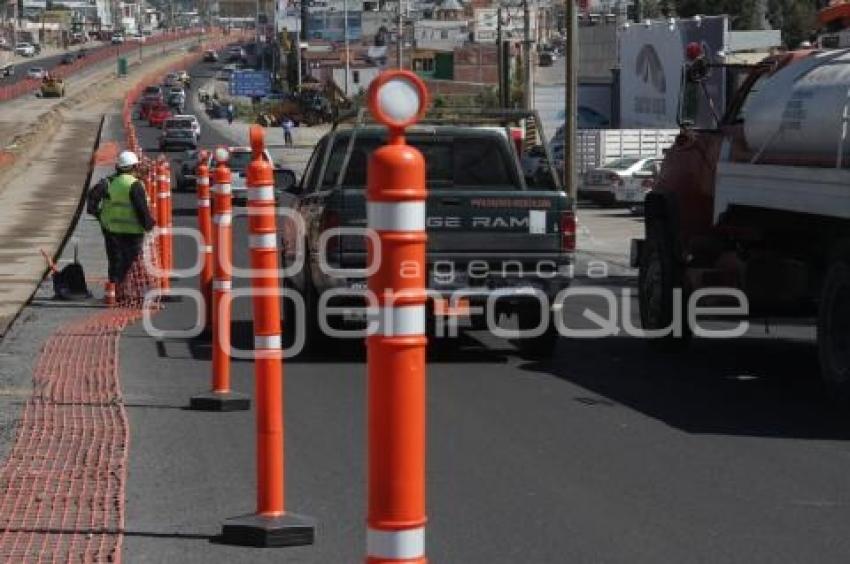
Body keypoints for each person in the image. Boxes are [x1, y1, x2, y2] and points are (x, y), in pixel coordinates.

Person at [89, 150, 155, 295]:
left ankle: (114, 294)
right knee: (133, 265)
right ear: (134, 167)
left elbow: (91, 203)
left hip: (112, 231)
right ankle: (134, 294)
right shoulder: (134, 185)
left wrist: (101, 216)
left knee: (115, 263)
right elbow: (141, 210)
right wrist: (149, 225)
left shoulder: (108, 182)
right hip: (133, 233)